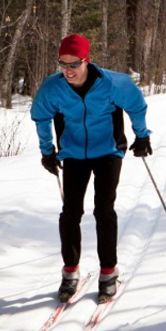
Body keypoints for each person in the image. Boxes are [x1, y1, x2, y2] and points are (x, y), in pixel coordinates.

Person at [31, 33, 153, 302]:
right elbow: (41, 117)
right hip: (73, 153)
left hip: (108, 151)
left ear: (87, 60)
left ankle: (108, 271)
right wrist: (46, 152)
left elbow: (136, 106)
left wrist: (142, 136)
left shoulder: (112, 83)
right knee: (71, 212)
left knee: (104, 209)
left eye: (74, 64)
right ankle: (70, 271)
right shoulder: (53, 87)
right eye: (62, 64)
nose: (68, 70)